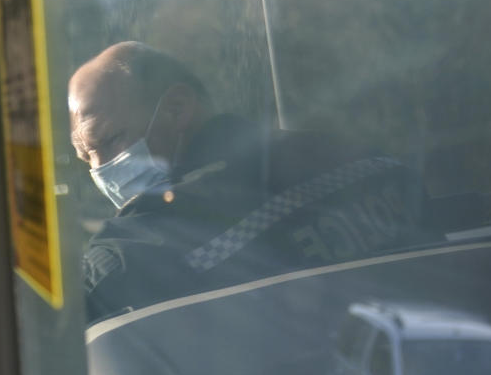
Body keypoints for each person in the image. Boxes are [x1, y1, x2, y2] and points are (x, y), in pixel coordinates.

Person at [69, 41, 436, 321]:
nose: (101, 168)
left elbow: (59, 329)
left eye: (112, 139)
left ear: (177, 108)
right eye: (87, 157)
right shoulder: (367, 162)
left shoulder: (146, 237)